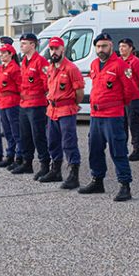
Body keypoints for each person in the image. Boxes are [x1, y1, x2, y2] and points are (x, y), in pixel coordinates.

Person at [79, 32, 139, 202]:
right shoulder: (94, 64)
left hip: (112, 115)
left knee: (118, 151)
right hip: (96, 115)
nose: (101, 49)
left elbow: (131, 91)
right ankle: (97, 181)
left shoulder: (120, 65)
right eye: (98, 46)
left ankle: (125, 186)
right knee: (95, 150)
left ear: (111, 46)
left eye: (104, 46)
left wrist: (117, 104)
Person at [40, 37, 84, 189]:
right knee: (52, 142)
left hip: (66, 110)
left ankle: (73, 175)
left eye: (56, 48)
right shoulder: (51, 68)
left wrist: (73, 104)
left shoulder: (71, 68)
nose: (53, 52)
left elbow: (79, 92)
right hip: (52, 110)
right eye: (51, 49)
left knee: (69, 142)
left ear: (62, 49)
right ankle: (56, 170)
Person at [15, 32, 50, 178]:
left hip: (36, 104)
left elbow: (46, 83)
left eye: (24, 43)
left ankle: (45, 164)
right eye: (21, 43)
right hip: (24, 103)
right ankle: (27, 162)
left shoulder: (41, 62)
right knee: (25, 135)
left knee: (38, 135)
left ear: (33, 45)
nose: (22, 46)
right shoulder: (24, 61)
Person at [119, 38, 139, 161]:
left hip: (133, 98)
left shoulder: (136, 62)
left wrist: (134, 89)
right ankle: (122, 148)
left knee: (133, 123)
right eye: (120, 46)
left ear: (130, 48)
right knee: (121, 124)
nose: (121, 49)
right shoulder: (118, 62)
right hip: (120, 98)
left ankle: (137, 149)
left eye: (124, 46)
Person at [0, 44, 22, 169]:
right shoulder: (1, 68)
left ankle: (19, 156)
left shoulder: (14, 69)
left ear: (11, 54)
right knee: (7, 131)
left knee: (15, 131)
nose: (1, 55)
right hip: (2, 101)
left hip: (12, 102)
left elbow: (20, 87)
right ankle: (10, 155)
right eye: (0, 53)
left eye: (4, 52)